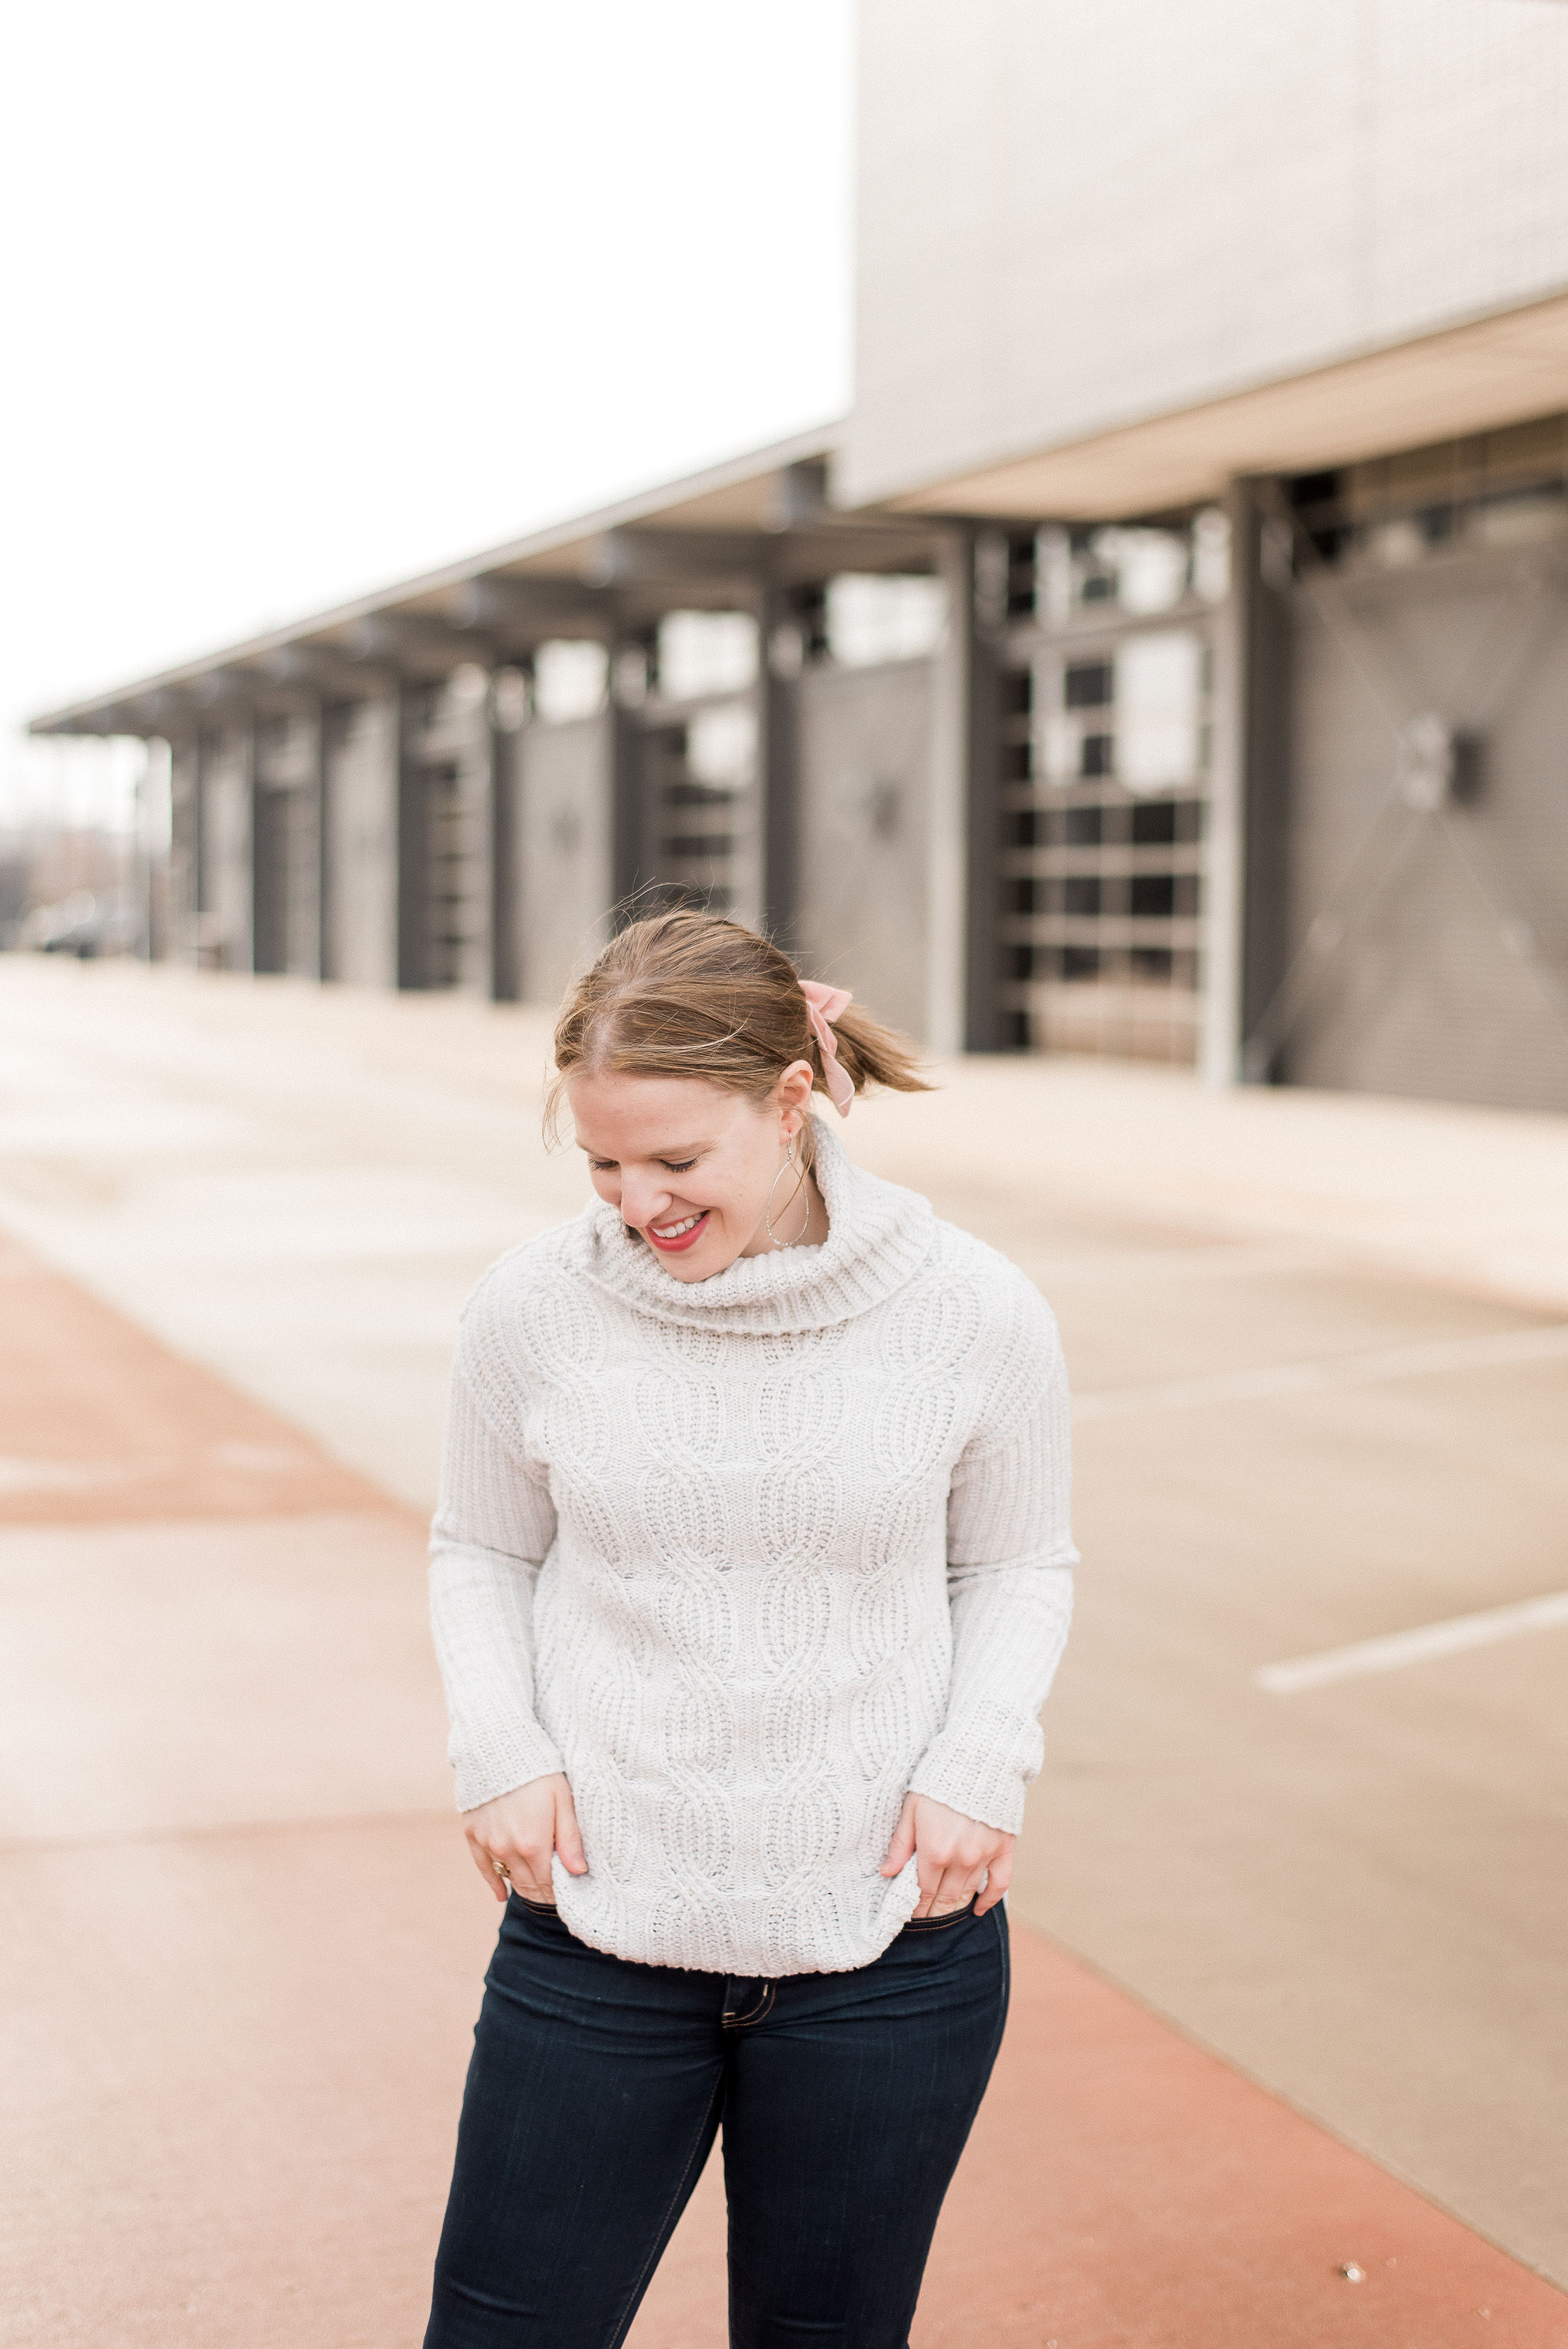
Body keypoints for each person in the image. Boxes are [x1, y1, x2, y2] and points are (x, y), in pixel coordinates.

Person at [423, 908, 1076, 2349]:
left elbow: (1021, 1563)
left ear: (791, 1103)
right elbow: (479, 1544)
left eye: (673, 1161)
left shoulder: (973, 1309)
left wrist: (979, 1763)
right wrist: (499, 1744)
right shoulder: (531, 1309)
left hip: (889, 1945)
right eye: (600, 1162)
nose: (635, 1203)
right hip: (598, 1933)